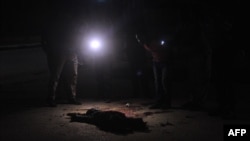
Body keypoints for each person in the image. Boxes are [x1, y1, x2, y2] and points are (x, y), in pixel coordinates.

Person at [42, 11, 82, 107]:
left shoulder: (70, 22)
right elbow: (45, 38)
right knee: (57, 76)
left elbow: (77, 35)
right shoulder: (54, 23)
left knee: (71, 75)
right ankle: (51, 98)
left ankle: (70, 97)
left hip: (70, 51)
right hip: (59, 51)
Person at [139, 32, 173, 109]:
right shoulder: (148, 43)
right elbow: (151, 51)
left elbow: (159, 48)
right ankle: (159, 102)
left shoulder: (158, 41)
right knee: (158, 83)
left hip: (165, 62)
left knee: (165, 81)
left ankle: (167, 103)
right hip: (156, 62)